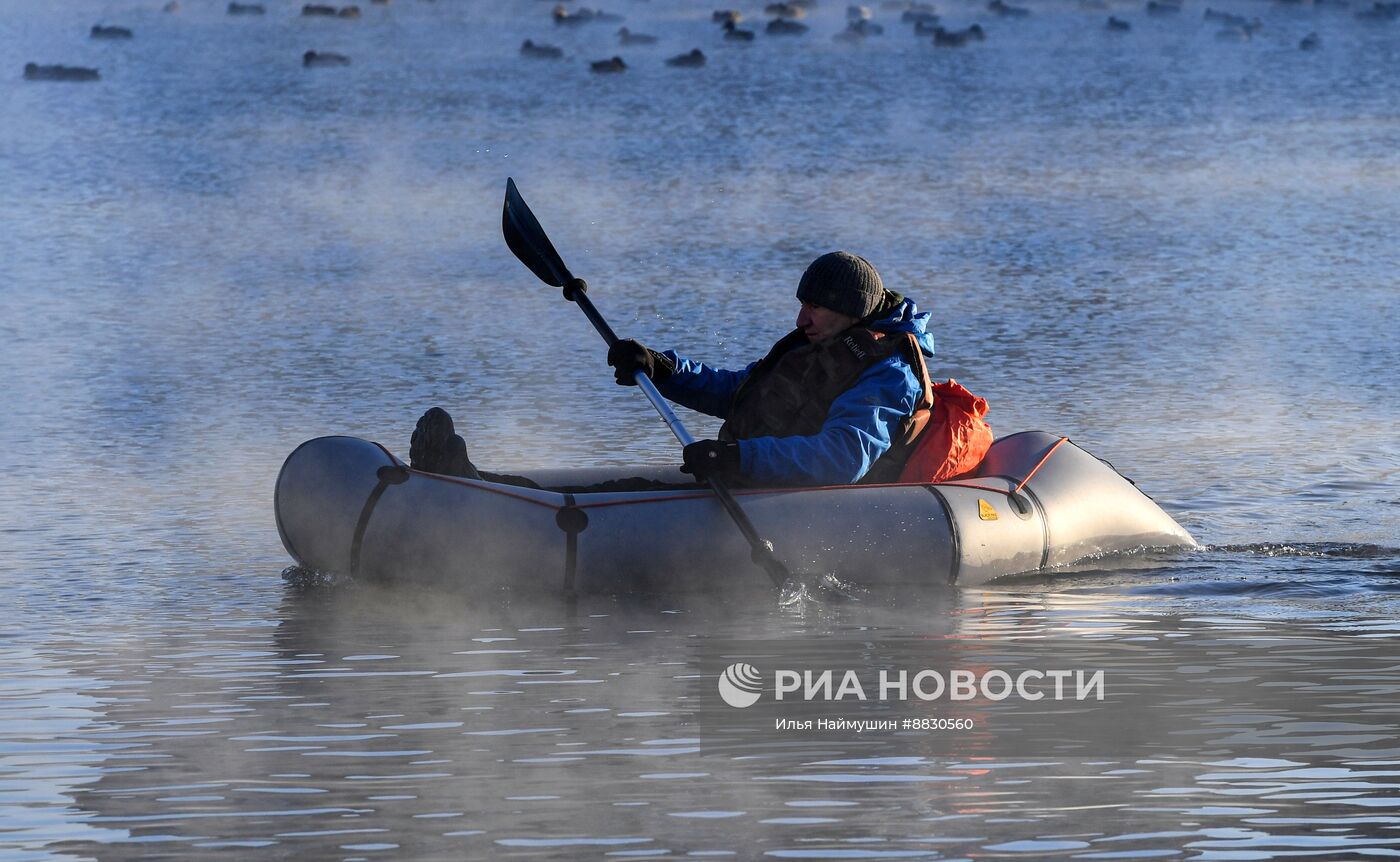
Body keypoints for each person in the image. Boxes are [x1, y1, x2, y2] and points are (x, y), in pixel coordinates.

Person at [410, 251, 936, 488]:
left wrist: (738, 457)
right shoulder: (818, 343)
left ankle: (471, 489)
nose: (800, 319)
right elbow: (743, 394)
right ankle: (473, 483)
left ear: (850, 312)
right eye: (801, 305)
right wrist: (662, 367)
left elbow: (841, 459)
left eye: (814, 309)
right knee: (623, 488)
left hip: (803, 503)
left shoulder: (888, 373)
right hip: (758, 478)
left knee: (620, 500)